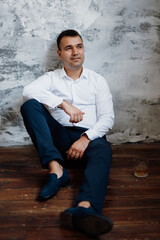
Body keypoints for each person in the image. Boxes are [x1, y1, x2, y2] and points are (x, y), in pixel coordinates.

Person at [20, 29, 114, 237]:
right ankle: (57, 171)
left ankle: (84, 207)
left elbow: (107, 119)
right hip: (60, 140)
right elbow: (27, 92)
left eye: (79, 46)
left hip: (89, 140)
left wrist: (85, 138)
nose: (75, 52)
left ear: (83, 50)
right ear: (60, 53)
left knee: (103, 149)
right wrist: (63, 104)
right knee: (30, 106)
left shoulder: (97, 80)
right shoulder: (51, 79)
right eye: (68, 48)